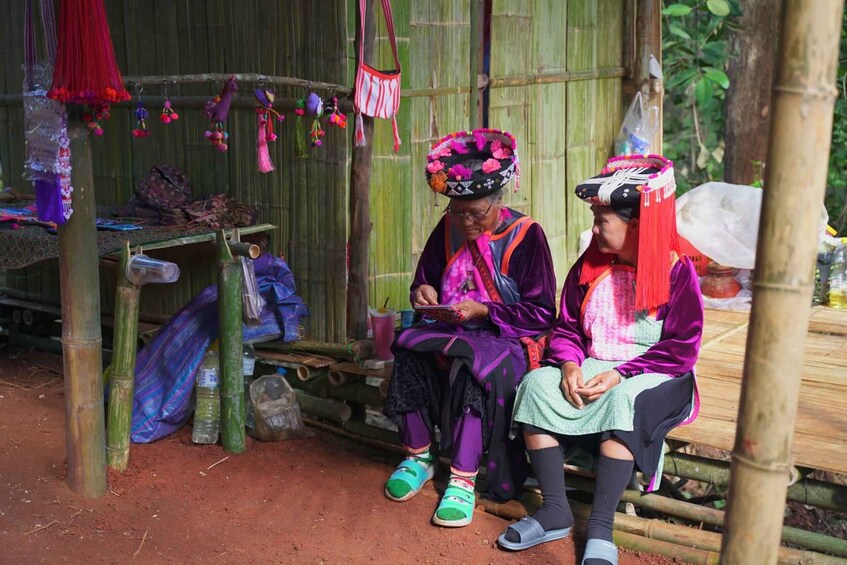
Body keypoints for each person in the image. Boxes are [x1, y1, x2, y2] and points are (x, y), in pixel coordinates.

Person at [497, 155, 704, 564]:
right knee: (536, 385)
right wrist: (570, 365)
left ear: (637, 226)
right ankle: (555, 509)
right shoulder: (589, 268)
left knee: (626, 400)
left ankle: (601, 528)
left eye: (601, 220)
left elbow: (682, 348)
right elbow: (569, 328)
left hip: (657, 373)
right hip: (596, 364)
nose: (593, 229)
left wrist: (620, 374)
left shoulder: (677, 273)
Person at [382, 128, 558, 528]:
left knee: (472, 365)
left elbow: (542, 312)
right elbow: (423, 280)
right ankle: (418, 456)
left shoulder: (526, 235)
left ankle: (462, 478)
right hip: (451, 329)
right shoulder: (447, 228)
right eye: (457, 211)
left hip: (504, 336)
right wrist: (422, 292)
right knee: (409, 348)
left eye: (477, 213)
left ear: (500, 201)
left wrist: (484, 311)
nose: (466, 221)